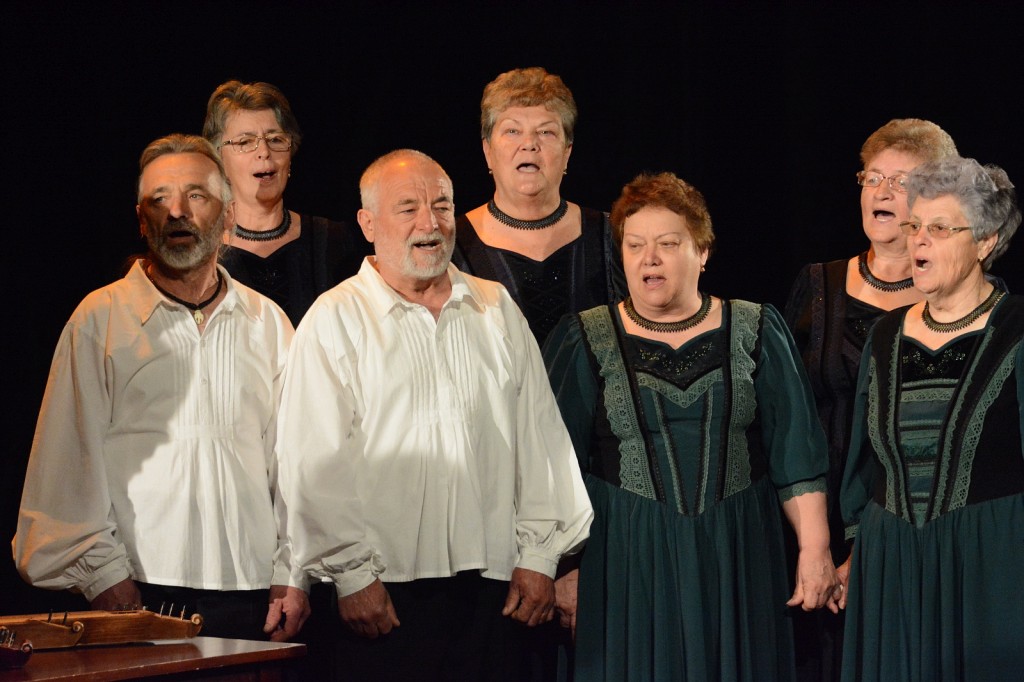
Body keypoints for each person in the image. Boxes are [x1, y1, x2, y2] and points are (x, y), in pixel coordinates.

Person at [275, 149, 593, 681]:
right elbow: (311, 463)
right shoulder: (335, 319)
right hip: (384, 595)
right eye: (408, 208)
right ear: (368, 224)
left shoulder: (495, 308)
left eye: (442, 206)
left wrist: (541, 558)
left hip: (496, 592)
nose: (430, 223)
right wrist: (351, 577)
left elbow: (541, 441)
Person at [544, 172, 840, 681]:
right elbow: (554, 465)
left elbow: (796, 453)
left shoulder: (756, 328)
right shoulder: (585, 338)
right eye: (635, 245)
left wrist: (815, 549)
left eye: (667, 243)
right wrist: (563, 568)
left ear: (702, 251)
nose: (649, 258)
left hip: (737, 554)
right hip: (626, 562)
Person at [13, 134, 308, 642]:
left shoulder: (267, 322)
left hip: (254, 595)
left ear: (228, 214)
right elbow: (65, 464)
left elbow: (294, 462)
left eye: (196, 195)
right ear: (140, 219)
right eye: (159, 199)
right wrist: (106, 580)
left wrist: (293, 571)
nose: (176, 212)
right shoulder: (100, 320)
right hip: (138, 593)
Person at [782, 118, 958, 680]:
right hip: (811, 526)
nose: (881, 191)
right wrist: (814, 541)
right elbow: (785, 416)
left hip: (912, 525)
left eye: (901, 180)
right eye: (872, 176)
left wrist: (869, 547)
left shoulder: (957, 301)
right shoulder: (817, 284)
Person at [837, 156, 1023, 680]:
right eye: (915, 225)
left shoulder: (1016, 327)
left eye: (940, 229)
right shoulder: (885, 335)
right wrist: (856, 548)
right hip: (892, 560)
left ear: (985, 242)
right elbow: (865, 459)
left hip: (990, 562)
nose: (919, 240)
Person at [451, 67, 626, 346]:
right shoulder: (451, 244)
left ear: (567, 151)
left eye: (546, 132)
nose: (529, 144)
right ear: (488, 151)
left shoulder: (612, 235)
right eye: (512, 131)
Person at [203, 80, 371, 327]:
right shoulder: (203, 254)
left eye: (275, 139)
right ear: (218, 157)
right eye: (245, 142)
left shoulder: (334, 242)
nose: (264, 151)